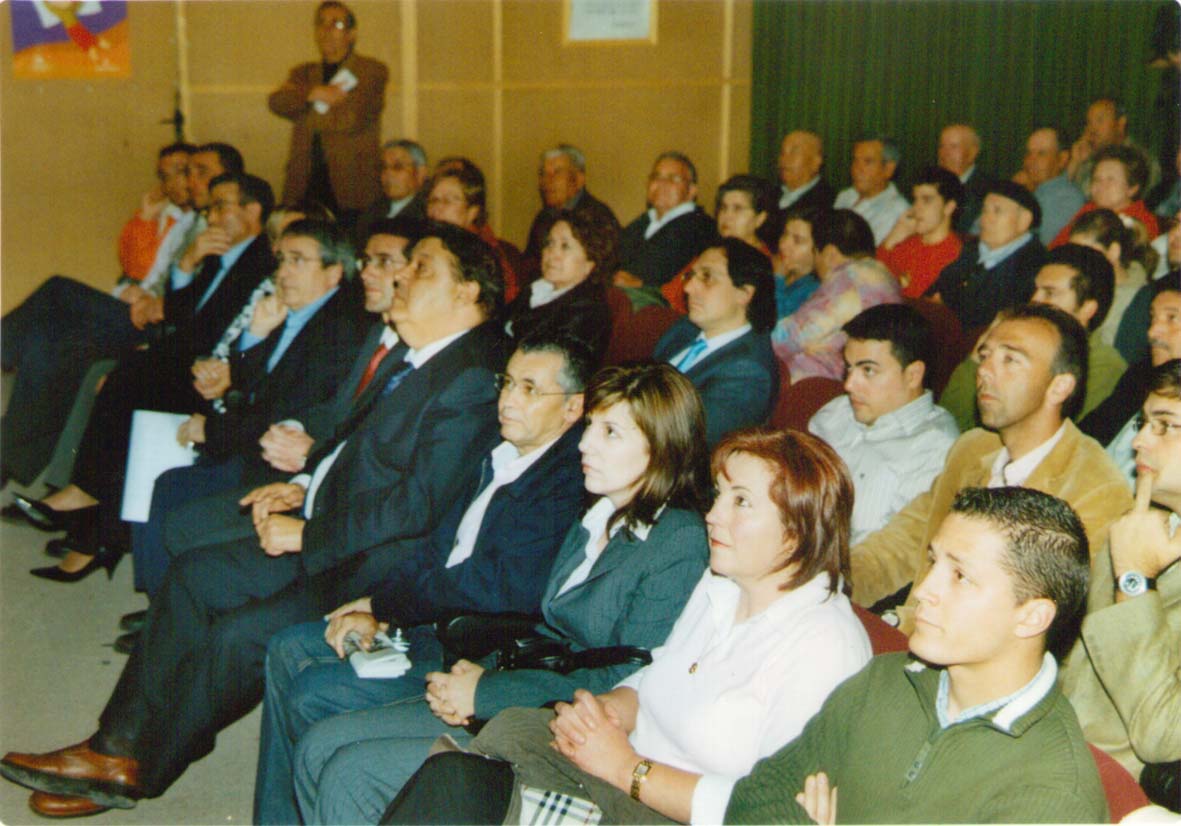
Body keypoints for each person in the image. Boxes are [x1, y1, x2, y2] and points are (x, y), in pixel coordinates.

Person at [0, 222, 509, 818]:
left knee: (238, 637)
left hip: (374, 571)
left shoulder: (472, 377)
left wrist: (309, 531)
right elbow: (352, 448)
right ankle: (114, 746)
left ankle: (142, 770)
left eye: (420, 268)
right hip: (337, 533)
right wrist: (302, 487)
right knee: (193, 577)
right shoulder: (416, 354)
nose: (399, 276)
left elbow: (414, 508)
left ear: (467, 291)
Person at [290, 363, 711, 824]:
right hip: (523, 690)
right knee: (319, 746)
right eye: (591, 426)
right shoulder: (598, 513)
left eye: (610, 433)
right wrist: (478, 673)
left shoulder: (678, 542)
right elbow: (545, 631)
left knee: (350, 772)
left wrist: (488, 692)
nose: (585, 443)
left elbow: (627, 680)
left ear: (662, 447)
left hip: (568, 732)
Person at [389, 428, 873, 825]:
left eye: (741, 502)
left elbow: (771, 809)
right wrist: (608, 711)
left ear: (798, 528)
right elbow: (657, 674)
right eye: (719, 495)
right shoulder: (722, 587)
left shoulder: (824, 645)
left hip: (661, 809)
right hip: (617, 778)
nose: (712, 515)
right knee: (456, 778)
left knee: (456, 791)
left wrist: (627, 768)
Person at [253, 331, 593, 824]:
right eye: (507, 383)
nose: (508, 400)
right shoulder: (499, 453)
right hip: (430, 622)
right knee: (287, 648)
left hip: (471, 651)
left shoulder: (565, 484)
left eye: (530, 389)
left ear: (572, 407)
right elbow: (436, 546)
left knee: (314, 696)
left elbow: (485, 585)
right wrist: (376, 605)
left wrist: (386, 608)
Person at [721, 487, 1107, 824]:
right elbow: (756, 795)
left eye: (960, 576)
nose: (923, 590)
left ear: (1031, 617)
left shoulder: (1054, 792)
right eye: (934, 562)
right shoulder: (886, 679)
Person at [15, 172, 277, 581]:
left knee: (131, 381)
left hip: (220, 376)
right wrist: (187, 263)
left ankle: (90, 518)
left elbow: (213, 337)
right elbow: (179, 317)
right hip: (190, 361)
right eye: (210, 208)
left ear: (252, 210)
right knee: (126, 376)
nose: (211, 217)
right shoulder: (219, 254)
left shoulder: (262, 262)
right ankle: (90, 526)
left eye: (221, 206)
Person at [125, 218, 368, 600]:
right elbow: (247, 387)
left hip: (277, 463)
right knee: (165, 473)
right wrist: (254, 336)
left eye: (298, 260)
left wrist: (212, 430)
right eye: (282, 259)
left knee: (173, 489)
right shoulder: (292, 311)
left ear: (334, 272)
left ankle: (162, 604)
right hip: (248, 438)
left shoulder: (338, 331)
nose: (283, 272)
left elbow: (282, 411)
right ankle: (160, 601)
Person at [851, 304, 1131, 631]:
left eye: (1010, 360)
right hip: (920, 627)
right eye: (985, 356)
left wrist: (903, 623)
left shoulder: (1097, 487)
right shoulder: (973, 449)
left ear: (1060, 387)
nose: (984, 371)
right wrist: (829, 579)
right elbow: (904, 541)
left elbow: (1041, 620)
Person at [0, 142, 239, 488]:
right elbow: (147, 272)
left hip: (162, 328)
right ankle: (9, 459)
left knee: (58, 289)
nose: (189, 181)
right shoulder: (188, 220)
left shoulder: (221, 231)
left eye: (198, 172)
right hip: (144, 309)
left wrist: (155, 299)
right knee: (46, 342)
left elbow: (195, 298)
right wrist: (142, 275)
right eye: (186, 173)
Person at [1062, 359, 1181, 809]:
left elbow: (1162, 735)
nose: (1138, 441)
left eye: (1164, 426)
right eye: (1143, 423)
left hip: (1115, 794)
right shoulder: (1134, 525)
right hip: (1051, 753)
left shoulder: (1132, 546)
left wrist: (1134, 580)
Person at [810, 304, 959, 543]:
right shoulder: (837, 412)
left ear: (913, 375)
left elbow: (891, 553)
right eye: (849, 368)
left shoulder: (935, 450)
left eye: (868, 370)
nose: (849, 385)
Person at [939, 245, 1126, 431]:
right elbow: (949, 419)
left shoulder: (1104, 366)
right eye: (1035, 290)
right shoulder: (1014, 346)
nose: (1035, 300)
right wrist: (981, 354)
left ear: (1087, 310)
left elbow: (1060, 434)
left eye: (1049, 293)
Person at [653, 238, 779, 447]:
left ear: (744, 293)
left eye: (707, 277)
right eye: (691, 275)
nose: (689, 287)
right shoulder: (685, 329)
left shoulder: (749, 371)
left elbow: (685, 442)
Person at [267, 1, 388, 219]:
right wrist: (314, 92)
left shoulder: (370, 71)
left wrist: (302, 110)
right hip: (305, 181)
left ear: (352, 34)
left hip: (351, 186)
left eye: (336, 24)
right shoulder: (303, 73)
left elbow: (350, 119)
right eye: (321, 23)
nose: (327, 30)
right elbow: (277, 102)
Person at [772, 209, 901, 382]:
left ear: (830, 254)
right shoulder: (881, 274)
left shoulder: (848, 282)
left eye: (816, 253)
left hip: (825, 382)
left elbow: (791, 337)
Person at [1081, 276, 1181, 485]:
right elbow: (1087, 439)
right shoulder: (1139, 378)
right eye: (1153, 318)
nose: (1152, 332)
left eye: (1172, 318)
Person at [929, 179, 1046, 330]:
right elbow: (934, 293)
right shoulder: (972, 249)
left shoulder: (1034, 266)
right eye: (984, 210)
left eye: (997, 211)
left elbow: (992, 321)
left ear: (1024, 220)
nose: (984, 220)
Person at [503, 207, 616, 362]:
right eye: (550, 243)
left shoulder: (588, 312)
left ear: (591, 262)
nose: (552, 254)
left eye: (565, 246)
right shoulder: (536, 289)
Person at [613, 151, 715, 307]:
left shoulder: (699, 226)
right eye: (656, 177)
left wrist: (642, 284)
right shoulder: (644, 221)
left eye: (673, 178)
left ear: (692, 190)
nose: (662, 184)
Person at [661, 174, 775, 312]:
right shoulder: (715, 251)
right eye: (723, 208)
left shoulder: (761, 265)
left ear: (760, 219)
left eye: (737, 209)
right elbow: (669, 293)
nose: (727, 216)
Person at [424, 158, 524, 303]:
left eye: (448, 201)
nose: (437, 208)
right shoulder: (423, 245)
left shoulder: (486, 256)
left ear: (472, 212)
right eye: (434, 200)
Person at [521, 144, 620, 282]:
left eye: (557, 173)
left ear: (579, 180)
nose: (547, 181)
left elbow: (603, 275)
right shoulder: (544, 217)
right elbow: (528, 266)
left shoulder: (598, 218)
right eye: (543, 174)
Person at [1068, 208, 1154, 356]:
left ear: (1113, 252)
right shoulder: (1082, 281)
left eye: (1086, 254)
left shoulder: (1137, 299)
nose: (1076, 261)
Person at [876, 165, 964, 298]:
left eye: (926, 200)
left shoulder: (955, 256)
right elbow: (869, 281)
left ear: (949, 207)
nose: (917, 207)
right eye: (915, 199)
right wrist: (890, 240)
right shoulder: (907, 242)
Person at [1053, 144, 1160, 247]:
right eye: (1096, 179)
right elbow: (1057, 246)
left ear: (1132, 188)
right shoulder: (1089, 209)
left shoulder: (1143, 223)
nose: (1101, 186)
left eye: (1110, 180)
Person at [1067, 96, 1161, 197]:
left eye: (1099, 121)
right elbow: (1063, 196)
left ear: (1120, 123)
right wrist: (1075, 163)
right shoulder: (1086, 158)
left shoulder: (1143, 160)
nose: (1092, 129)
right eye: (1089, 123)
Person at [762, 130, 834, 248]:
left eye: (794, 152)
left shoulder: (827, 202)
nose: (784, 160)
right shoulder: (768, 193)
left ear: (816, 162)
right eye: (782, 153)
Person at [832, 136, 909, 245]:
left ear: (888, 169)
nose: (857, 169)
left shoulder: (898, 211)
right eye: (855, 160)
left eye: (867, 162)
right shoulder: (846, 196)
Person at [1018, 126, 1087, 245]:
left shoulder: (1068, 199)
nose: (1030, 161)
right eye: (1029, 153)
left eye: (1041, 154)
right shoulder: (1030, 190)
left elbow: (1042, 246)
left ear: (1062, 159)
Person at [352, 139, 429, 244]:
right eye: (383, 168)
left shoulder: (428, 212)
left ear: (420, 173)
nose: (388, 175)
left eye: (397, 167)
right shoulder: (372, 211)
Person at [937, 123, 995, 235]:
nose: (944, 154)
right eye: (941, 146)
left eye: (953, 147)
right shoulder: (932, 185)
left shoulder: (988, 190)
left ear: (972, 153)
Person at [772, 205, 821, 320]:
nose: (783, 245)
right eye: (784, 234)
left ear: (819, 249)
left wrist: (778, 279)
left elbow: (779, 324)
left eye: (797, 240)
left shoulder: (813, 291)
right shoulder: (776, 267)